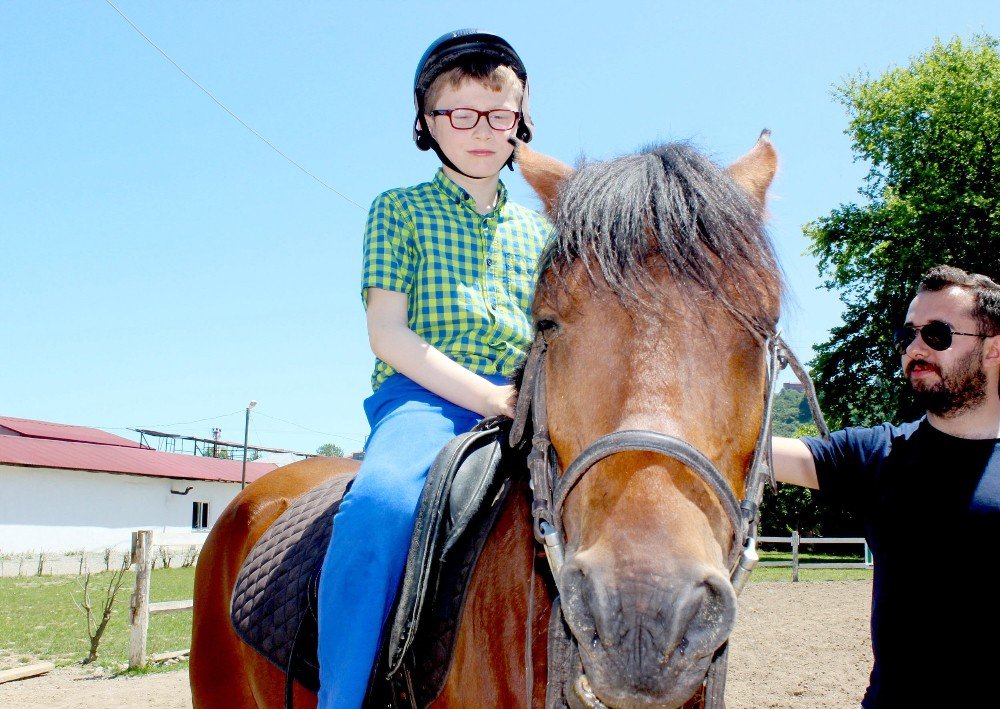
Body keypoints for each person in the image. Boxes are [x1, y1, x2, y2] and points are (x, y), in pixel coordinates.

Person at [316, 29, 550, 707]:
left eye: (498, 113)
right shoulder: (398, 209)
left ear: (521, 121)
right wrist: (491, 397)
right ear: (426, 121)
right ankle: (341, 695)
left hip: (529, 399)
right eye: (459, 112)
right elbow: (388, 334)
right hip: (424, 399)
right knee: (379, 503)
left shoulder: (542, 233)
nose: (481, 129)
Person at [773, 265, 1000, 706]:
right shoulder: (877, 455)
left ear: (993, 350)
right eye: (907, 335)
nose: (914, 347)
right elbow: (752, 452)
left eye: (936, 334)